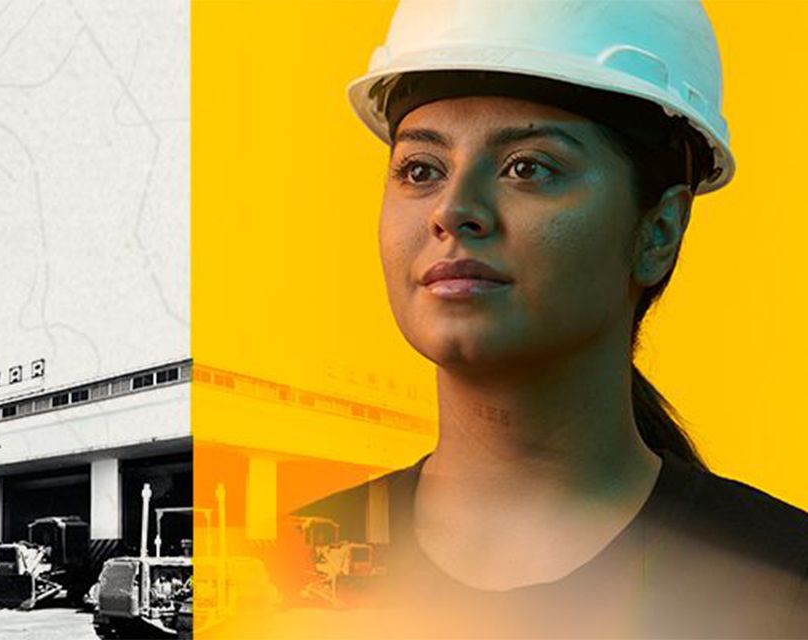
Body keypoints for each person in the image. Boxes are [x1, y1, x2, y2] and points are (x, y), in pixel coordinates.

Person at [284, 1, 808, 637]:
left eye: (528, 167)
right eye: (421, 170)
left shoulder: (783, 591)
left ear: (659, 230)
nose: (453, 211)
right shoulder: (283, 574)